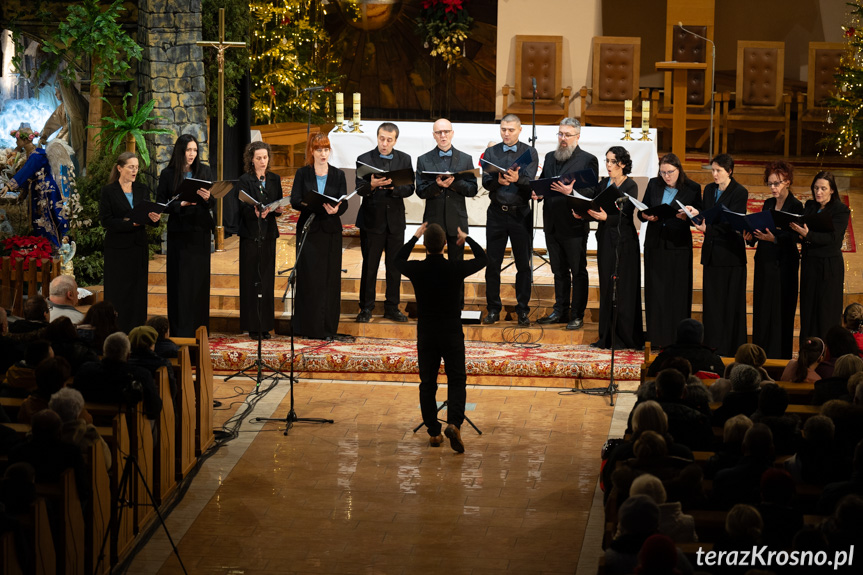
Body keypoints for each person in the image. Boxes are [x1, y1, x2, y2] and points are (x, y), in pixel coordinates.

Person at [395, 223, 487, 453]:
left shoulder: (417, 269)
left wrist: (413, 237)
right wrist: (467, 239)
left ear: (425, 246)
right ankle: (454, 423)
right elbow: (482, 259)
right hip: (451, 330)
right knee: (457, 379)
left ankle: (434, 432)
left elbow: (397, 261)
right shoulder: (454, 268)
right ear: (445, 244)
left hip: (427, 331)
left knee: (428, 383)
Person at [536, 118, 599, 330]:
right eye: (560, 134)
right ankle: (560, 311)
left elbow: (592, 193)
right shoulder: (549, 156)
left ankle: (577, 314)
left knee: (577, 271)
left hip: (574, 224)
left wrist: (571, 192)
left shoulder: (588, 160)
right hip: (552, 223)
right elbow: (545, 183)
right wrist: (538, 193)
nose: (563, 139)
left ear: (577, 137)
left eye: (567, 135)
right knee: (558, 270)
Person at [579, 147, 643, 349]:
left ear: (622, 164)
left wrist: (608, 217)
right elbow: (595, 205)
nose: (607, 165)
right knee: (607, 286)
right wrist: (583, 212)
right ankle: (606, 336)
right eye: (606, 160)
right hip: (605, 238)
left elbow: (628, 213)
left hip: (624, 240)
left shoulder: (630, 185)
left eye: (612, 161)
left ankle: (624, 337)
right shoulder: (603, 183)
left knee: (623, 287)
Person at [637, 153, 701, 349]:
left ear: (678, 170)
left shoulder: (692, 188)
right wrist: (646, 216)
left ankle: (677, 339)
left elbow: (698, 218)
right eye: (663, 172)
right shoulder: (654, 184)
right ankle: (657, 338)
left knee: (676, 293)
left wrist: (689, 216)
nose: (666, 176)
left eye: (670, 172)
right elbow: (641, 211)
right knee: (656, 292)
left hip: (678, 246)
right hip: (655, 245)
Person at [480, 114, 539, 327]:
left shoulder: (529, 151)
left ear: (520, 130)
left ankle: (522, 310)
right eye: (503, 129)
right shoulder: (491, 152)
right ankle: (493, 308)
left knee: (523, 264)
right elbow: (486, 183)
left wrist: (518, 180)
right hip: (496, 213)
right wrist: (497, 180)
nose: (506, 133)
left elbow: (532, 182)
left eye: (511, 130)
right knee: (493, 263)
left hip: (520, 213)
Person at [742, 161, 803, 359]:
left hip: (784, 264)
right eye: (770, 184)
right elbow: (762, 227)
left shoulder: (796, 205)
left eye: (777, 183)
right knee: (763, 308)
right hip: (765, 262)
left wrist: (775, 238)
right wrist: (751, 237)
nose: (773, 188)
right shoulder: (768, 203)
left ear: (787, 181)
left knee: (780, 310)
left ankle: (779, 355)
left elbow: (796, 236)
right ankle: (761, 354)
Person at [290, 133, 348, 340]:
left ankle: (327, 326)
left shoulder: (338, 175)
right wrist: (311, 203)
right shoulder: (303, 173)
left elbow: (344, 202)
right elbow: (295, 200)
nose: (323, 154)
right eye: (319, 150)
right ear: (311, 151)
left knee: (329, 279)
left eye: (326, 149)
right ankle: (307, 327)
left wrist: (336, 210)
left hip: (331, 230)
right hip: (309, 230)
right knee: (309, 279)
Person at [415, 118, 478, 306]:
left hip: (456, 220)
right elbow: (420, 192)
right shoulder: (423, 159)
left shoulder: (465, 159)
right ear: (434, 135)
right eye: (438, 132)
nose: (443, 136)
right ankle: (432, 304)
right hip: (434, 222)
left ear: (452, 133)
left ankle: (456, 306)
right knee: (432, 266)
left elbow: (472, 190)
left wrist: (454, 183)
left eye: (446, 132)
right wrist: (436, 185)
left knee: (457, 266)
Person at [354, 122, 414, 323]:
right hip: (372, 221)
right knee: (370, 266)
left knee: (394, 266)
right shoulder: (364, 159)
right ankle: (366, 308)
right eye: (381, 138)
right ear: (377, 137)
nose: (385, 143)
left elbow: (409, 189)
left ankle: (392, 307)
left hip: (395, 222)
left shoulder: (404, 159)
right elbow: (359, 190)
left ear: (395, 140)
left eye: (389, 140)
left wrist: (393, 188)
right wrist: (371, 185)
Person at [689, 154, 748, 356]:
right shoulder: (709, 190)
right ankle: (712, 346)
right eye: (712, 170)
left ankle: (730, 348)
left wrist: (709, 229)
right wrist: (695, 213)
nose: (714, 174)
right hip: (712, 254)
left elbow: (734, 224)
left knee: (729, 304)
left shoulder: (740, 192)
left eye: (718, 171)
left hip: (731, 255)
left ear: (729, 171)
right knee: (712, 304)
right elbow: (707, 215)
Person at [156, 134, 214, 337]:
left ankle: (200, 329)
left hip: (199, 232)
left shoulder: (204, 171)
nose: (192, 154)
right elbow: (161, 204)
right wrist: (180, 204)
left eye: (195, 150)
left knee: (199, 282)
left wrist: (208, 198)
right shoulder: (167, 174)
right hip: (179, 234)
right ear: (180, 151)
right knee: (179, 283)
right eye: (188, 150)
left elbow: (212, 202)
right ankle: (180, 330)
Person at [99, 152, 160, 333]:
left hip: (138, 247)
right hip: (117, 249)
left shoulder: (142, 189)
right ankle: (116, 330)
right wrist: (128, 223)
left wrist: (154, 218)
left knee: (137, 292)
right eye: (131, 167)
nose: (135, 171)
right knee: (118, 291)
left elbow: (149, 217)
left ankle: (137, 329)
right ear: (120, 168)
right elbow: (106, 221)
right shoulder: (109, 191)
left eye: (136, 167)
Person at [791, 171, 851, 341]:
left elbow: (833, 239)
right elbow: (801, 231)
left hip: (829, 267)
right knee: (808, 311)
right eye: (816, 188)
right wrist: (797, 233)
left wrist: (808, 235)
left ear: (832, 190)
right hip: (810, 264)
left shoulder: (841, 210)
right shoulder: (810, 206)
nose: (819, 192)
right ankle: (808, 352)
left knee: (826, 313)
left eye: (823, 188)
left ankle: (826, 356)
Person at [237, 141, 283, 339]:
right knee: (251, 279)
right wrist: (255, 211)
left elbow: (277, 203)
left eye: (265, 157)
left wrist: (277, 210)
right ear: (251, 160)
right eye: (258, 158)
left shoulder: (274, 179)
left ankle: (265, 325)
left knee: (266, 280)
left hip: (268, 233)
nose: (263, 161)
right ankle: (252, 325)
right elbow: (240, 207)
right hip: (250, 234)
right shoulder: (245, 180)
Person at [0, 123, 69, 246]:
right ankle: (42, 245)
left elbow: (26, 171)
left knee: (48, 217)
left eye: (18, 139)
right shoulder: (32, 154)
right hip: (38, 190)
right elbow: (31, 176)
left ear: (26, 140)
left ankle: (54, 246)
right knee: (39, 219)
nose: (16, 143)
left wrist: (9, 186)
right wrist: (24, 192)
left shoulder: (37, 156)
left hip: (46, 191)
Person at [73, 332, 162, 420]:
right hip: (129, 428)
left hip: (90, 424)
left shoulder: (85, 370)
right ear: (128, 356)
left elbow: (75, 399)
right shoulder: (141, 375)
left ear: (104, 352)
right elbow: (154, 410)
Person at [647, 320, 725, 378]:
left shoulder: (664, 357)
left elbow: (649, 379)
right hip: (702, 399)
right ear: (701, 337)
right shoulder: (713, 359)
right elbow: (724, 383)